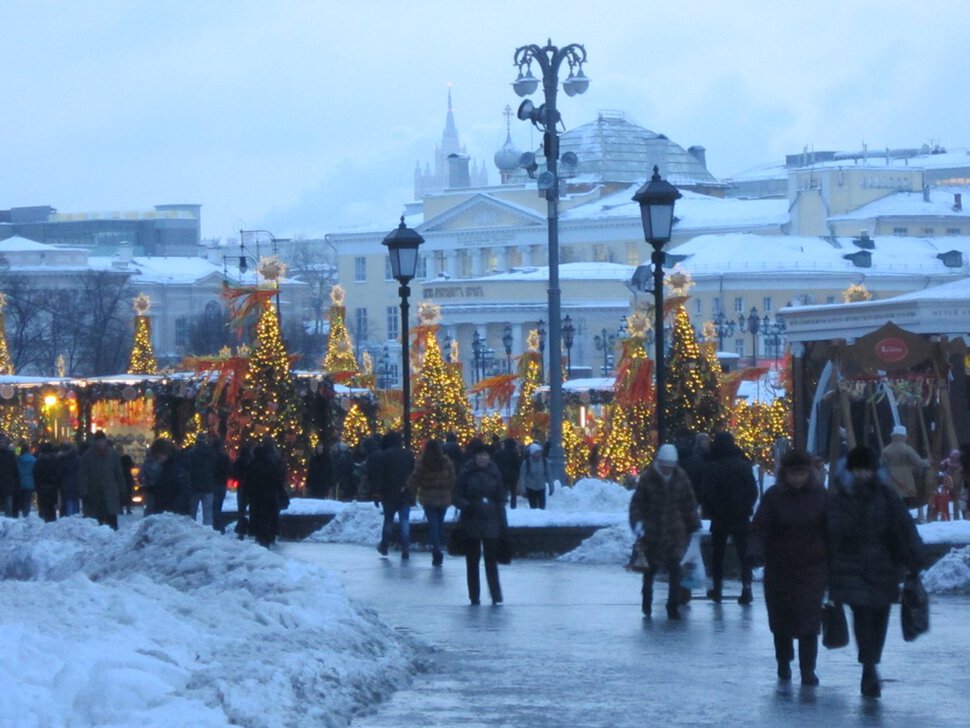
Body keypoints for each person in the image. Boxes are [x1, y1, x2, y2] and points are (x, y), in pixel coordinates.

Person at [828, 446, 924, 699]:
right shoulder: (841, 497)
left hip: (884, 567)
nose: (862, 475)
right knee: (862, 616)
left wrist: (914, 557)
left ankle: (871, 662)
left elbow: (903, 526)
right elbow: (830, 530)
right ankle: (869, 667)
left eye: (866, 469)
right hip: (851, 566)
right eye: (857, 470)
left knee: (880, 616)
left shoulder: (886, 495)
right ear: (850, 470)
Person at [749, 450, 828, 685]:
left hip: (811, 567)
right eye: (793, 473)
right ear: (785, 474)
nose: (797, 479)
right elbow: (760, 527)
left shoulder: (820, 496)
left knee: (809, 620)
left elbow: (831, 529)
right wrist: (755, 552)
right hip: (779, 568)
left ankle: (807, 669)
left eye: (801, 473)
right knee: (781, 619)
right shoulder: (774, 497)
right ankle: (783, 661)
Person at [628, 443, 701, 620]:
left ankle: (672, 606)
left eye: (671, 467)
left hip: (675, 532)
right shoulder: (647, 478)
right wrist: (638, 524)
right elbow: (637, 504)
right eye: (665, 467)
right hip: (652, 532)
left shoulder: (681, 478)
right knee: (650, 570)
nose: (668, 470)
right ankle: (647, 598)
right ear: (659, 463)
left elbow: (689, 504)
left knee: (675, 569)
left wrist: (694, 526)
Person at [704, 431, 758, 605]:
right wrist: (746, 507)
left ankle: (717, 589)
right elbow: (753, 491)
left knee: (718, 555)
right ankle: (746, 589)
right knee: (744, 555)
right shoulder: (744, 465)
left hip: (720, 517)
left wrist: (712, 509)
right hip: (741, 516)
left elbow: (708, 493)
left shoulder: (713, 466)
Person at [453, 441, 506, 605]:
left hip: (491, 521)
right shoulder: (466, 472)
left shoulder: (494, 472)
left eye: (486, 455)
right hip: (472, 521)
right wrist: (467, 505)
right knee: (472, 561)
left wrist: (499, 513)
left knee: (491, 560)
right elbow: (456, 495)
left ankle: (496, 595)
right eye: (480, 455)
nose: (483, 458)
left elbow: (501, 496)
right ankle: (474, 595)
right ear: (474, 457)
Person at [408, 439, 455, 567]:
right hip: (444, 497)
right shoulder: (446, 461)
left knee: (433, 525)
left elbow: (415, 478)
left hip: (428, 498)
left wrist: (411, 490)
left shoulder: (423, 461)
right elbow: (452, 479)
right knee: (439, 524)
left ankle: (436, 549)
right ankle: (438, 545)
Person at [370, 431, 416, 559]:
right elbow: (413, 473)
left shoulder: (385, 456)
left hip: (389, 494)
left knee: (388, 520)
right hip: (405, 493)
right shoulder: (408, 454)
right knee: (404, 520)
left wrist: (377, 493)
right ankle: (405, 547)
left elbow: (380, 476)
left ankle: (384, 545)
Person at [881, 425, 931, 522]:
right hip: (905, 478)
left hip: (890, 478)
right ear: (904, 436)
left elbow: (882, 463)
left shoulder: (886, 450)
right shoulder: (907, 449)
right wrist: (927, 462)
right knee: (905, 500)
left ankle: (893, 518)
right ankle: (904, 519)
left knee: (893, 499)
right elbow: (918, 462)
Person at [243, 443, 289, 547]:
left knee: (257, 517)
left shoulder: (252, 464)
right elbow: (277, 481)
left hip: (256, 497)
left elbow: (247, 483)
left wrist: (245, 497)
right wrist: (282, 494)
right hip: (269, 496)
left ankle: (258, 536)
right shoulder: (270, 464)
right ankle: (268, 536)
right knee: (268, 517)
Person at [78, 431, 125, 530]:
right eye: (98, 441)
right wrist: (84, 492)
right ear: (95, 442)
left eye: (103, 441)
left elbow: (119, 474)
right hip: (94, 494)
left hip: (110, 493)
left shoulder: (113, 454)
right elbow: (83, 475)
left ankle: (113, 537)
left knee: (112, 521)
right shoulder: (87, 456)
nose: (101, 443)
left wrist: (122, 491)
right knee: (97, 523)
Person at [186, 433, 217, 526]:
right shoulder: (211, 453)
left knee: (192, 512)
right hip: (208, 485)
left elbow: (188, 469)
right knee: (208, 512)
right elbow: (214, 467)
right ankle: (208, 530)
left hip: (194, 486)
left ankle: (191, 529)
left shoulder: (191, 453)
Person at [519, 443, 552, 509]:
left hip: (541, 487)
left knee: (542, 508)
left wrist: (551, 486)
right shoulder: (527, 462)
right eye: (536, 452)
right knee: (533, 507)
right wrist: (523, 489)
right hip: (531, 487)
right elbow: (522, 476)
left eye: (539, 452)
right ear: (532, 453)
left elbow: (549, 474)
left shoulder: (544, 461)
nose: (538, 454)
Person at [34, 442, 60, 522]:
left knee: (43, 509)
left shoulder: (39, 462)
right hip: (52, 489)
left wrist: (37, 488)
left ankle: (43, 524)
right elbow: (58, 475)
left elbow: (36, 476)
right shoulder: (55, 461)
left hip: (42, 488)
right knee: (51, 510)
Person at [493, 438, 521, 509]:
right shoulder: (515, 454)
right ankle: (513, 506)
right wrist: (517, 475)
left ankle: (503, 504)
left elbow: (497, 464)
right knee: (513, 492)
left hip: (503, 474)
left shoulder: (500, 453)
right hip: (513, 475)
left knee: (504, 490)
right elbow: (517, 465)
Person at [56, 443, 80, 517]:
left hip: (65, 485)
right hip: (76, 485)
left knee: (67, 504)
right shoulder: (77, 459)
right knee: (75, 503)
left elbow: (58, 474)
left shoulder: (61, 459)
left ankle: (69, 519)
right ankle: (75, 520)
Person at [0, 435, 21, 517]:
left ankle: (9, 522)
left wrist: (17, 483)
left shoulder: (10, 455)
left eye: (2, 442)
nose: (1, 444)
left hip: (7, 484)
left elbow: (15, 470)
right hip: (7, 483)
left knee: (8, 505)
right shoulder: (10, 455)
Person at [939, 449, 963, 521]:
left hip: (953, 483)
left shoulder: (958, 464)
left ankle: (954, 517)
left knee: (954, 500)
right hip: (950, 482)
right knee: (948, 499)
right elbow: (942, 464)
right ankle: (948, 516)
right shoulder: (948, 462)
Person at [16, 442, 36, 517]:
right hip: (30, 483)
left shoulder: (18, 459)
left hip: (20, 482)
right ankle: (26, 514)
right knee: (27, 500)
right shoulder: (33, 460)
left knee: (21, 499)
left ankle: (20, 514)